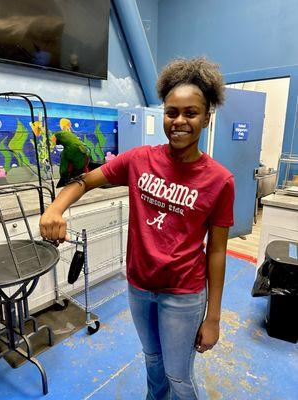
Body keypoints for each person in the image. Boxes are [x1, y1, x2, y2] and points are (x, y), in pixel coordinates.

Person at [40, 57, 235, 400]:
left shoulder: (220, 180)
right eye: (171, 112)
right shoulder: (139, 159)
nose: (179, 121)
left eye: (190, 113)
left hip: (184, 294)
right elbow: (84, 182)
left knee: (178, 376)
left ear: (206, 116)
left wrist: (214, 318)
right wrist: (55, 208)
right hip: (140, 288)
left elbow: (217, 251)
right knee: (152, 362)